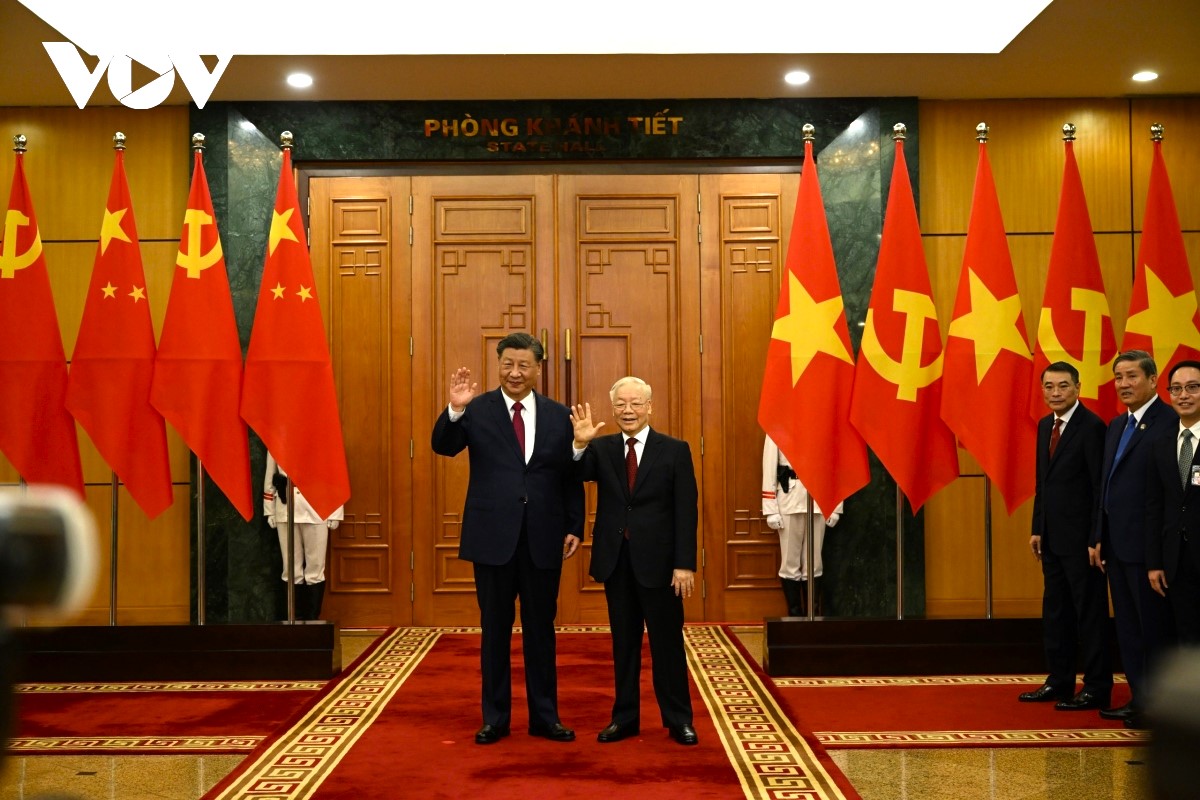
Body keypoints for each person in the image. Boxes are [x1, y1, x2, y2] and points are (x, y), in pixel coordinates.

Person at [431, 332, 584, 745]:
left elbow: (568, 476)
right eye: (507, 364)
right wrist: (454, 410)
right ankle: (495, 719)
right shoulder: (476, 409)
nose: (514, 373)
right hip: (492, 538)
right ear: (498, 365)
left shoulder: (558, 415)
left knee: (541, 630)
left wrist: (574, 525)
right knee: (494, 630)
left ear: (538, 369)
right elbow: (443, 446)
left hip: (543, 537)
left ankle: (545, 718)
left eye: (523, 366)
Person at [570, 376, 699, 746]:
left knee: (667, 646)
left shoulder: (674, 450)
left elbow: (685, 510)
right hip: (617, 562)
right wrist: (579, 444)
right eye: (621, 405)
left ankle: (679, 720)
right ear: (613, 410)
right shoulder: (602, 448)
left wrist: (684, 563)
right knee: (623, 645)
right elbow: (574, 474)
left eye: (635, 403)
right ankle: (624, 719)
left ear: (649, 407)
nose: (628, 411)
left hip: (661, 566)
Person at [1019, 362, 1112, 710]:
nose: (1055, 393)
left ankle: (1097, 687)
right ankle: (1059, 681)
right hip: (1052, 539)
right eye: (1049, 386)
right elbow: (1043, 483)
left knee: (1090, 614)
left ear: (1077, 388)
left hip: (1083, 543)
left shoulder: (1092, 427)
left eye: (1063, 386)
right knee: (1056, 612)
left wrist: (1096, 537)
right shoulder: (1046, 425)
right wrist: (1037, 528)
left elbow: (1099, 488)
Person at [1094, 350, 1175, 729]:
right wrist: (1098, 536)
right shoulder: (1116, 425)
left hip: (1148, 551)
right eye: (1118, 377)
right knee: (1128, 630)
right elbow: (1106, 488)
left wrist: (1157, 555)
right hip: (1116, 547)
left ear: (1153, 380)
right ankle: (1139, 699)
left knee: (1154, 631)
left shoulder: (1168, 422)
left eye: (1132, 376)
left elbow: (1167, 496)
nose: (1124, 384)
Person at [1145, 360, 1200, 645]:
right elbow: (1155, 506)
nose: (1184, 395)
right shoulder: (1161, 442)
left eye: (1192, 387)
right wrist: (1154, 562)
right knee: (1187, 637)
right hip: (1176, 561)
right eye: (1176, 389)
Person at [762, 434, 842, 617]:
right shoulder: (777, 426)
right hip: (789, 499)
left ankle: (812, 616)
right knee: (789, 563)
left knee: (814, 564)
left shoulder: (823, 426)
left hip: (819, 500)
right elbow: (769, 467)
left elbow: (836, 465)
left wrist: (836, 505)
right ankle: (794, 615)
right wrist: (770, 508)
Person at [264, 451, 344, 621]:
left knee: (315, 569)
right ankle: (293, 620)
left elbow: (334, 473)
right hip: (286, 508)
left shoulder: (322, 440)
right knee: (290, 569)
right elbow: (270, 474)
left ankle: (312, 621)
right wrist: (269, 509)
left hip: (317, 507)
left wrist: (335, 511)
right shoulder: (278, 440)